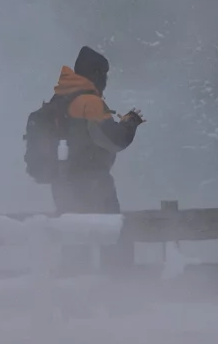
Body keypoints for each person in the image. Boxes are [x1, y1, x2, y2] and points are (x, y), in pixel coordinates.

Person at [32, 45, 142, 216]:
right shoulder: (90, 103)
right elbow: (113, 140)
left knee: (73, 234)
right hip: (93, 183)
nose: (105, 80)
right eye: (104, 74)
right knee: (112, 234)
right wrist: (130, 122)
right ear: (96, 74)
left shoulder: (62, 98)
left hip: (62, 184)